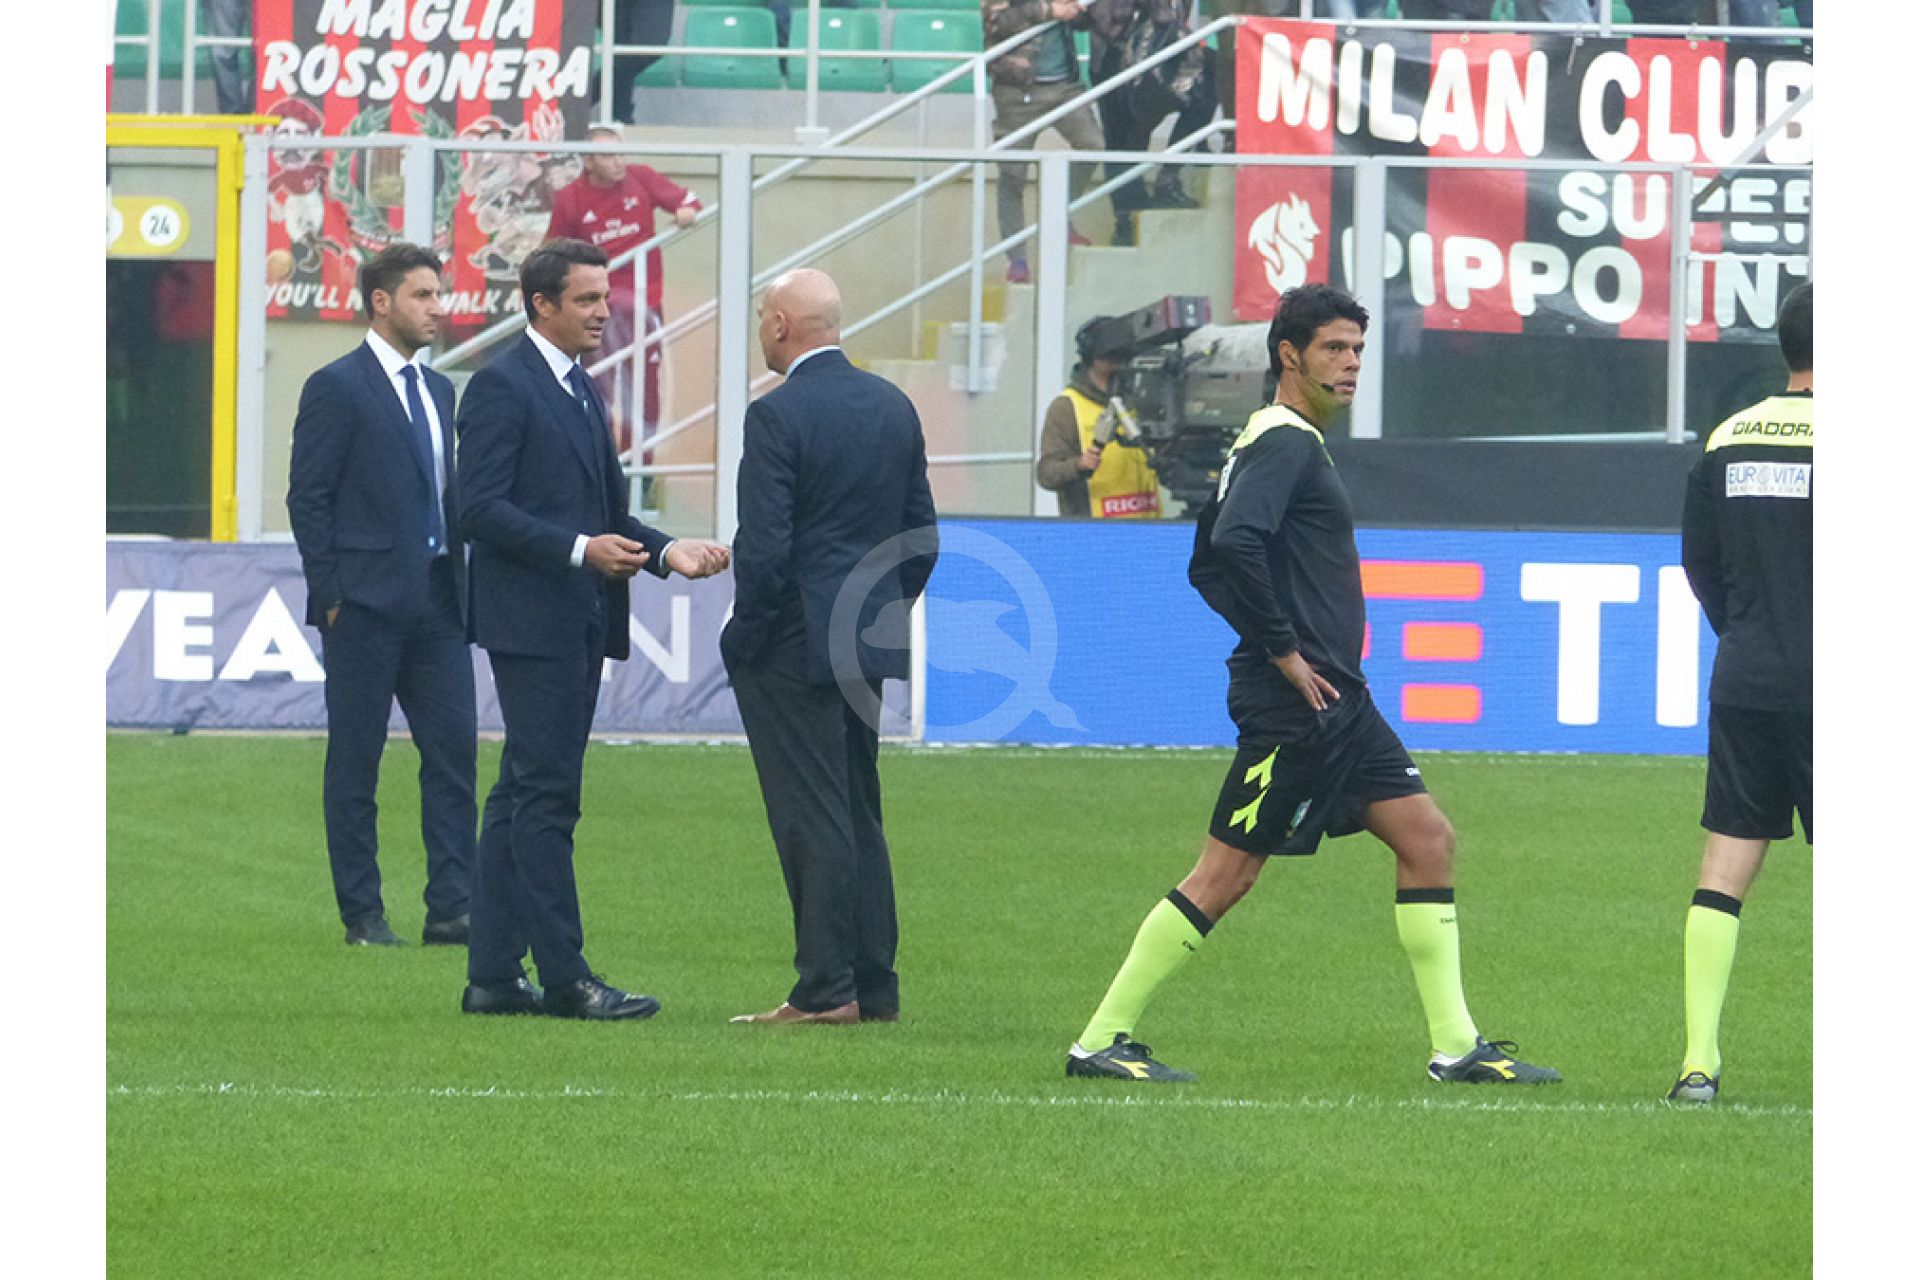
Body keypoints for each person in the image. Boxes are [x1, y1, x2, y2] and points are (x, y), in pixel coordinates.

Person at [1063, 283, 1560, 1086]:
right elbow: (1233, 544)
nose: (1351, 363)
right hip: (1296, 707)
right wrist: (1282, 652)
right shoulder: (1285, 442)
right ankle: (1099, 1040)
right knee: (1226, 874)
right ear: (1289, 355)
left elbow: (1205, 563)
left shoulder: (1273, 439)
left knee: (1428, 840)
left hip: (1339, 703)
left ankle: (1456, 1046)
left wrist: (1290, 650)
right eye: (1334, 348)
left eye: (1358, 349)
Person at [455, 238, 732, 1019]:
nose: (604, 312)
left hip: (576, 617)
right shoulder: (502, 386)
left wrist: (667, 551)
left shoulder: (581, 386)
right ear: (540, 304)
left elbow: (605, 513)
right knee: (548, 797)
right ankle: (566, 978)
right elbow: (479, 509)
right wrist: (579, 550)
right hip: (530, 622)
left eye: (605, 298)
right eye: (586, 299)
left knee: (519, 792)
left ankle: (492, 977)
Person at [723, 269, 939, 1026]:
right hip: (863, 638)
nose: (761, 328)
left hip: (793, 642)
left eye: (762, 316)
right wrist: (879, 615)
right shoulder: (893, 406)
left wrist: (744, 635)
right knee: (857, 809)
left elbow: (765, 549)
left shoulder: (775, 415)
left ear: (782, 324)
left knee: (809, 815)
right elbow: (921, 536)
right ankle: (873, 984)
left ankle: (825, 988)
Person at [286, 243, 476, 948]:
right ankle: (362, 914)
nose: (437, 308)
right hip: (363, 607)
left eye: (439, 294)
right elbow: (309, 497)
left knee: (454, 757)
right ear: (381, 302)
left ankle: (453, 909)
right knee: (356, 762)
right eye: (423, 295)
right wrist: (331, 594)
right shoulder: (336, 386)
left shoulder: (439, 391)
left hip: (439, 602)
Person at [1669, 280, 1813, 1105]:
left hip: (1747, 679)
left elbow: (1700, 561)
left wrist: (1749, 633)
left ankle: (1698, 1063)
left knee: (1723, 868)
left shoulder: (1730, 436)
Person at [546, 125, 702, 456]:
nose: (618, 161)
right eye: (608, 156)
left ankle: (639, 468)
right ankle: (602, 464)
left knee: (644, 388)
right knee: (597, 387)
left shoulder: (640, 177)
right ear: (588, 162)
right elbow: (554, 254)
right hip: (595, 310)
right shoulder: (571, 197)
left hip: (644, 305)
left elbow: (689, 200)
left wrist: (686, 210)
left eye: (621, 153)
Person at [982, 0, 1103, 282]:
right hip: (1017, 90)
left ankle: (1060, 215)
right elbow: (998, 23)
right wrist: (1049, 10)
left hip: (1065, 87)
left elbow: (1084, 24)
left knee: (1093, 146)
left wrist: (1079, 10)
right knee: (1012, 175)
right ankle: (1017, 259)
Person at [1089, 0, 1219, 247]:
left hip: (1161, 49)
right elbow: (1099, 18)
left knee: (1209, 82)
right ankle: (1126, 219)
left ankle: (1168, 178)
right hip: (1114, 55)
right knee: (1124, 141)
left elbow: (1172, 16)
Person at [1035, 319, 1161, 517]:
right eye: (1110, 357)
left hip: (1147, 526)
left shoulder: (1138, 401)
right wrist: (1079, 465)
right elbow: (1047, 474)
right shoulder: (1067, 407)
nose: (1117, 364)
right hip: (1094, 528)